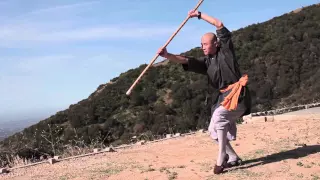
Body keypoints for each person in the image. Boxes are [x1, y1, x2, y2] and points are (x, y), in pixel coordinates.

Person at [157, 9, 252, 174]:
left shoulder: (226, 51)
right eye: (201, 45)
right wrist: (167, 55)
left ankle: (221, 157)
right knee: (213, 131)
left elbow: (219, 24)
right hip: (222, 98)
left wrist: (199, 15)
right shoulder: (206, 63)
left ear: (216, 43)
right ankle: (233, 157)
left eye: (205, 44)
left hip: (238, 96)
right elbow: (186, 60)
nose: (202, 47)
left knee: (218, 117)